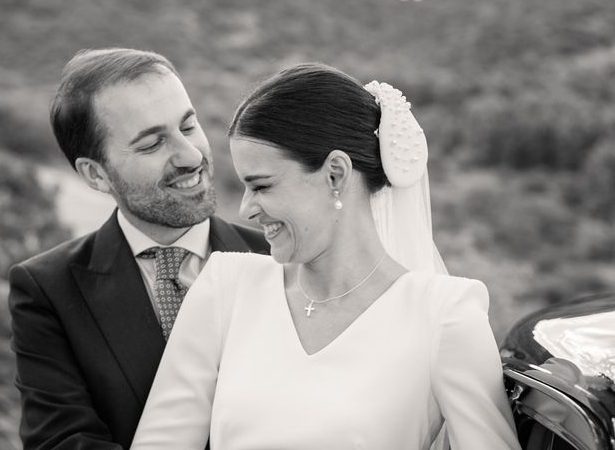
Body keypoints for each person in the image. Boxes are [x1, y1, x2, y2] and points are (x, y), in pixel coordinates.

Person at [130, 63, 521, 449]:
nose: (246, 209)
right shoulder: (224, 288)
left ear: (335, 174)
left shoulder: (445, 315)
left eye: (262, 186)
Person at [8, 48, 269, 449]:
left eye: (189, 125)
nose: (190, 155)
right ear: (96, 174)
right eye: (152, 144)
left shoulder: (278, 259)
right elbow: (60, 442)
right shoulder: (47, 290)